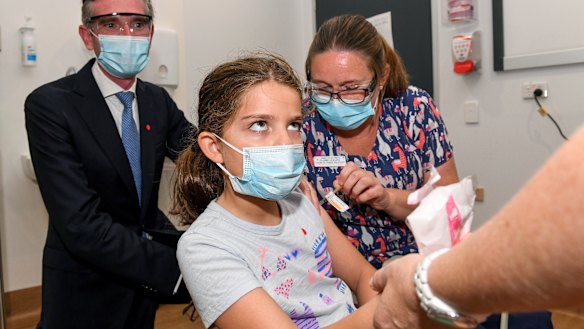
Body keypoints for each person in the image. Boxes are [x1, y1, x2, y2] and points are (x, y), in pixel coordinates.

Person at [173, 52, 382, 329]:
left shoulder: (301, 203)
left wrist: (382, 308)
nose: (286, 142)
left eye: (294, 125)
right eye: (260, 125)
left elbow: (362, 277)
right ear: (214, 147)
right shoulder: (204, 246)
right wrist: (390, 308)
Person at [24, 0, 192, 328]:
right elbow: (81, 225)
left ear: (151, 33)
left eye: (138, 23)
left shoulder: (157, 101)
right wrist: (182, 270)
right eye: (111, 24)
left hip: (142, 293)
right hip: (85, 287)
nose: (127, 34)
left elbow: (197, 159)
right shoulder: (50, 106)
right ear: (87, 36)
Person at [369, 124, 584, 329]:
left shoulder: (415, 108)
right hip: (389, 273)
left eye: (353, 86)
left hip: (429, 262)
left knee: (531, 318)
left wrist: (426, 280)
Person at [302, 15, 459, 269]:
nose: (335, 101)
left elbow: (448, 206)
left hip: (414, 260)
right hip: (335, 267)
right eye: (322, 88)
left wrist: (386, 198)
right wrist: (361, 280)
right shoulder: (304, 121)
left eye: (351, 87)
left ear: (382, 76)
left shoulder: (414, 110)